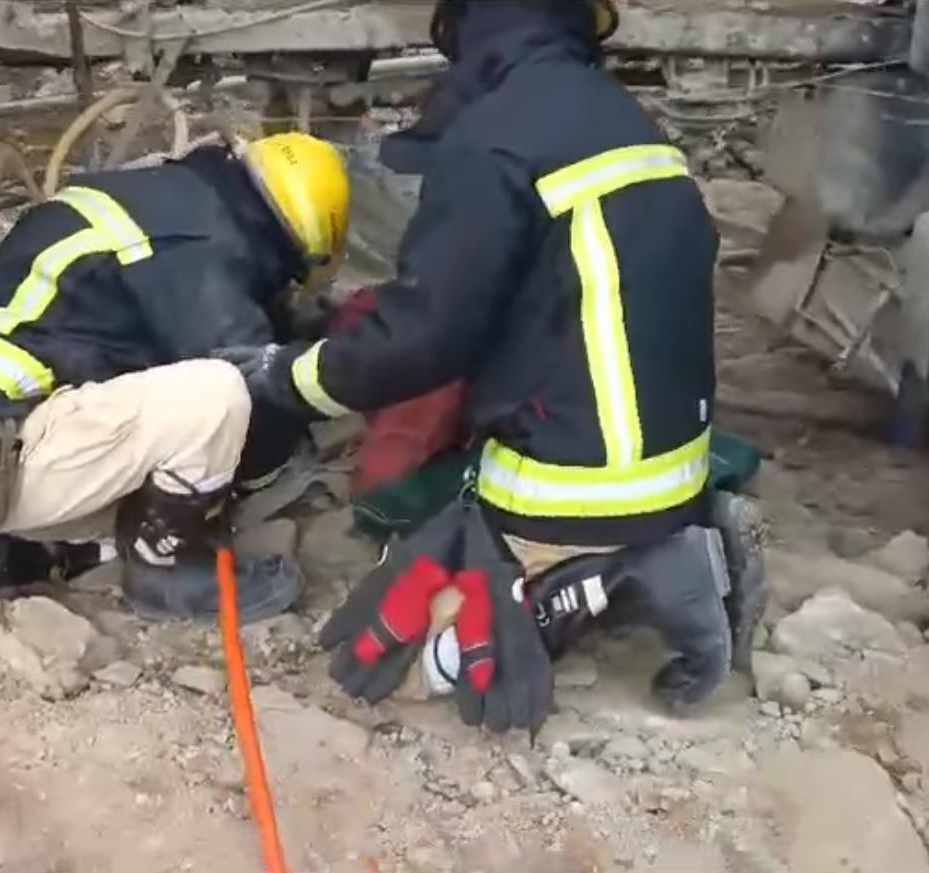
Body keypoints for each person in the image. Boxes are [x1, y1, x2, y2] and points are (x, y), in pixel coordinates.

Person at [222, 0, 767, 732]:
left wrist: (285, 377)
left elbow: (426, 334)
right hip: (671, 460)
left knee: (409, 663)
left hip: (578, 486)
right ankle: (664, 540)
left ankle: (621, 575)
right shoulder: (622, 119)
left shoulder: (493, 139)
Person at [0, 132, 351, 650]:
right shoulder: (199, 241)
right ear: (297, 242)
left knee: (167, 443)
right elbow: (253, 378)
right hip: (9, 456)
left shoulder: (161, 202)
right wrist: (291, 427)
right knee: (220, 394)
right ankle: (166, 570)